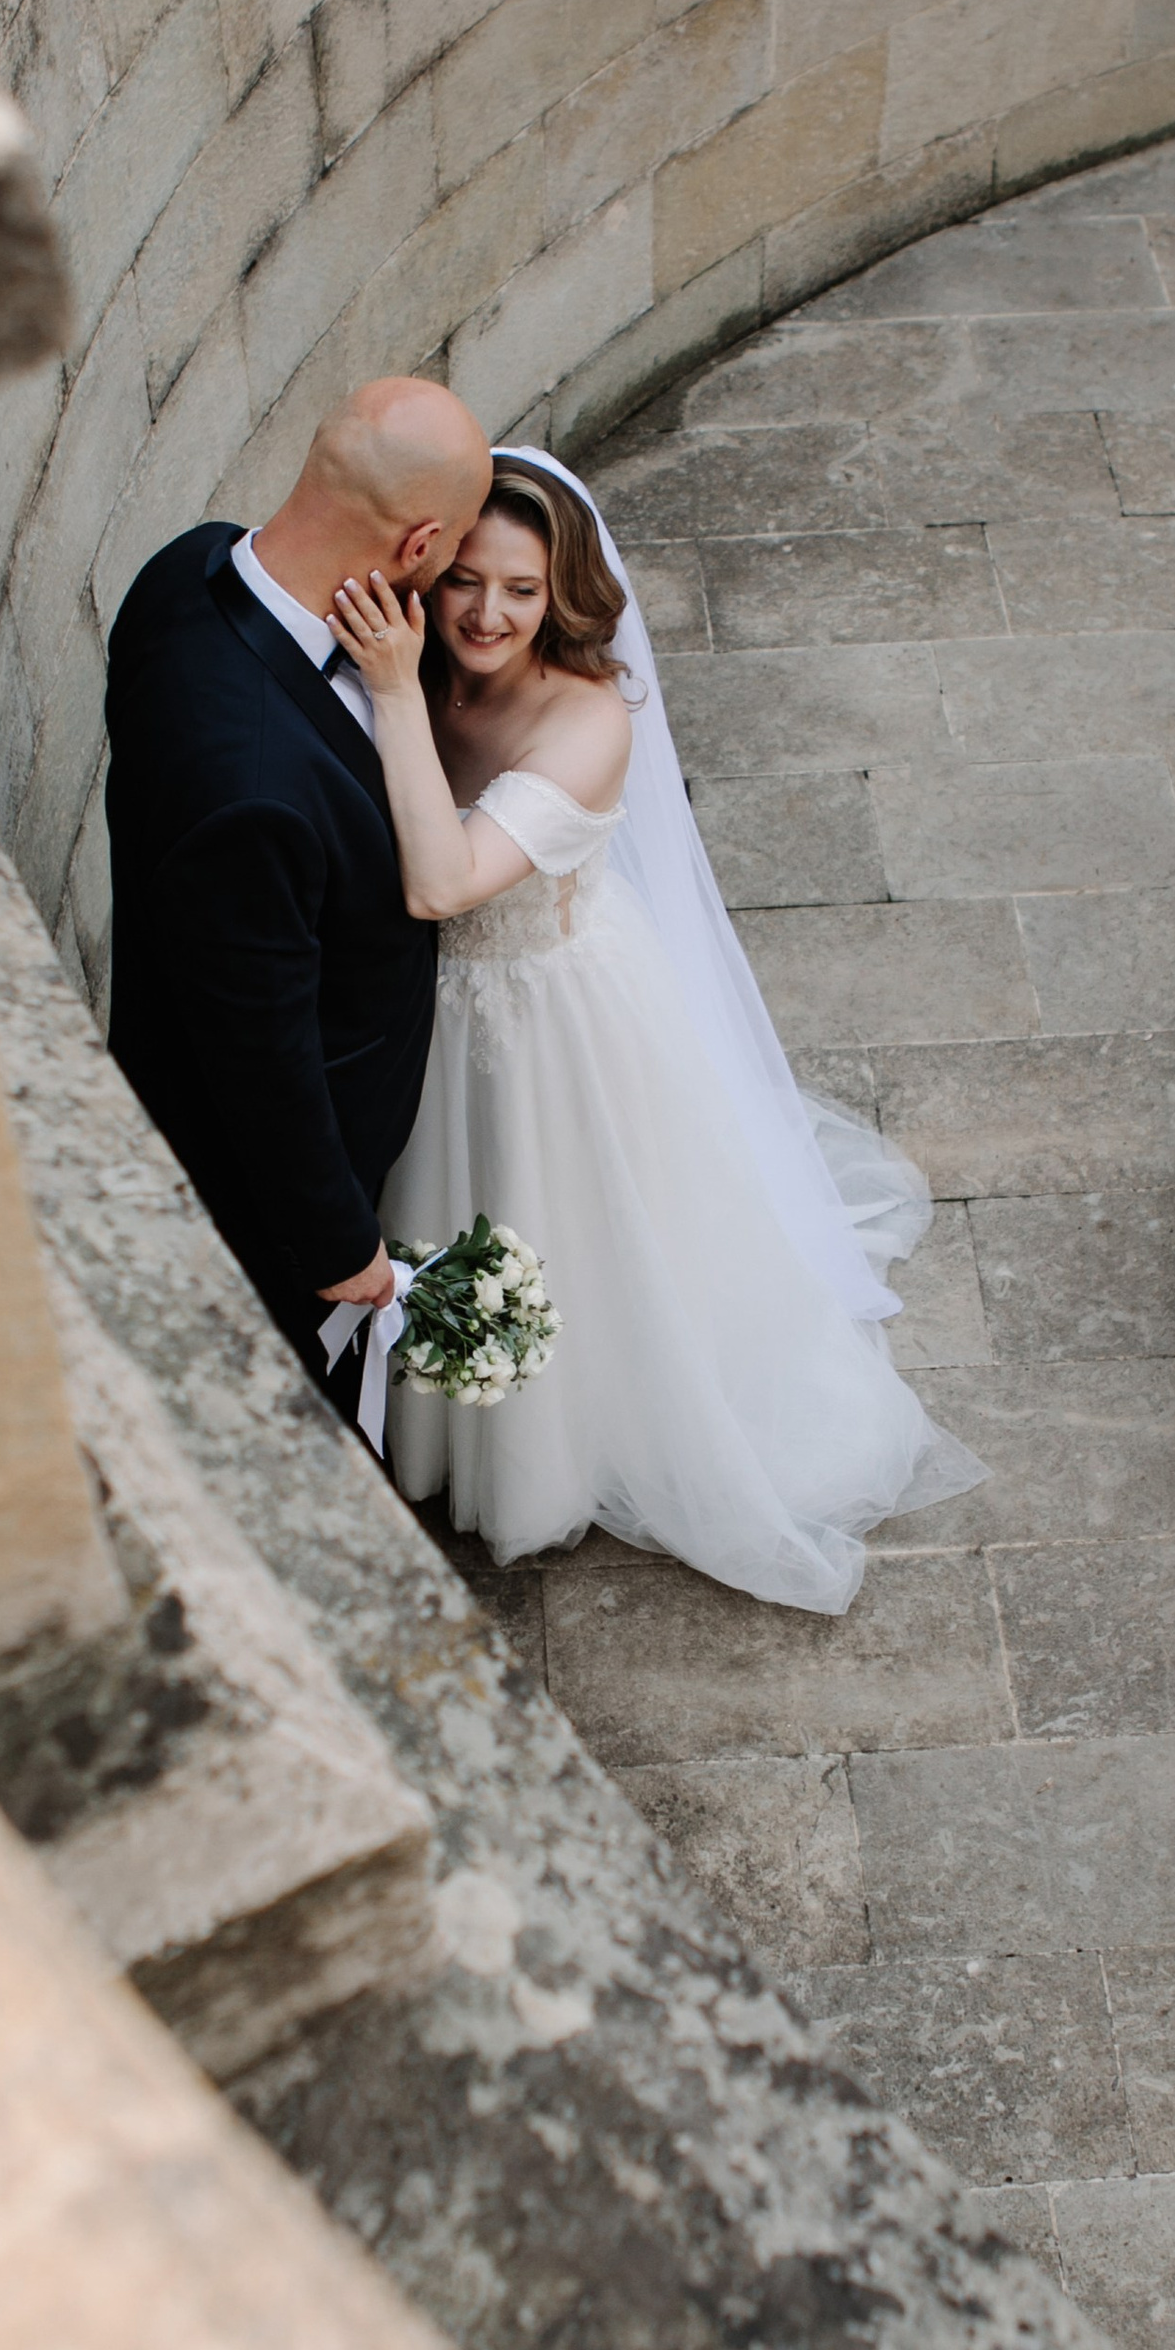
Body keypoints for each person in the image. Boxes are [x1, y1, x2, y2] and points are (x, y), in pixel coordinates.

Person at [326, 449, 981, 1611]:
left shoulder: (584, 724)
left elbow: (440, 883)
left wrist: (386, 691)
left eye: (521, 591)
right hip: (434, 1011)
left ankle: (549, 1460)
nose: (487, 614)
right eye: (467, 579)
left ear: (561, 595)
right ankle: (441, 1420)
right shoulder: (433, 663)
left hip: (549, 1017)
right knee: (442, 1209)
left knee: (576, 1229)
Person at [104, 376, 491, 1410]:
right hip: (262, 1196)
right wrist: (337, 1241)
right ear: (416, 546)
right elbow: (258, 1046)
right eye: (453, 549)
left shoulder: (181, 571)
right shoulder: (255, 797)